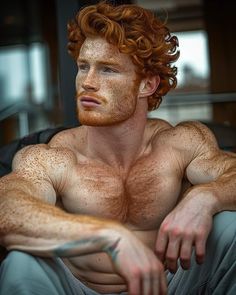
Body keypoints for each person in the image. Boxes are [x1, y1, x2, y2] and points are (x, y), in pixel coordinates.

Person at [0, 1, 236, 294]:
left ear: (146, 85)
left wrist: (205, 198)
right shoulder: (53, 158)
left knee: (232, 227)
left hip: (172, 285)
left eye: (107, 70)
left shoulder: (181, 143)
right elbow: (7, 211)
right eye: (83, 67)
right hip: (81, 289)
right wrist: (109, 236)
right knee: (22, 263)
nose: (87, 82)